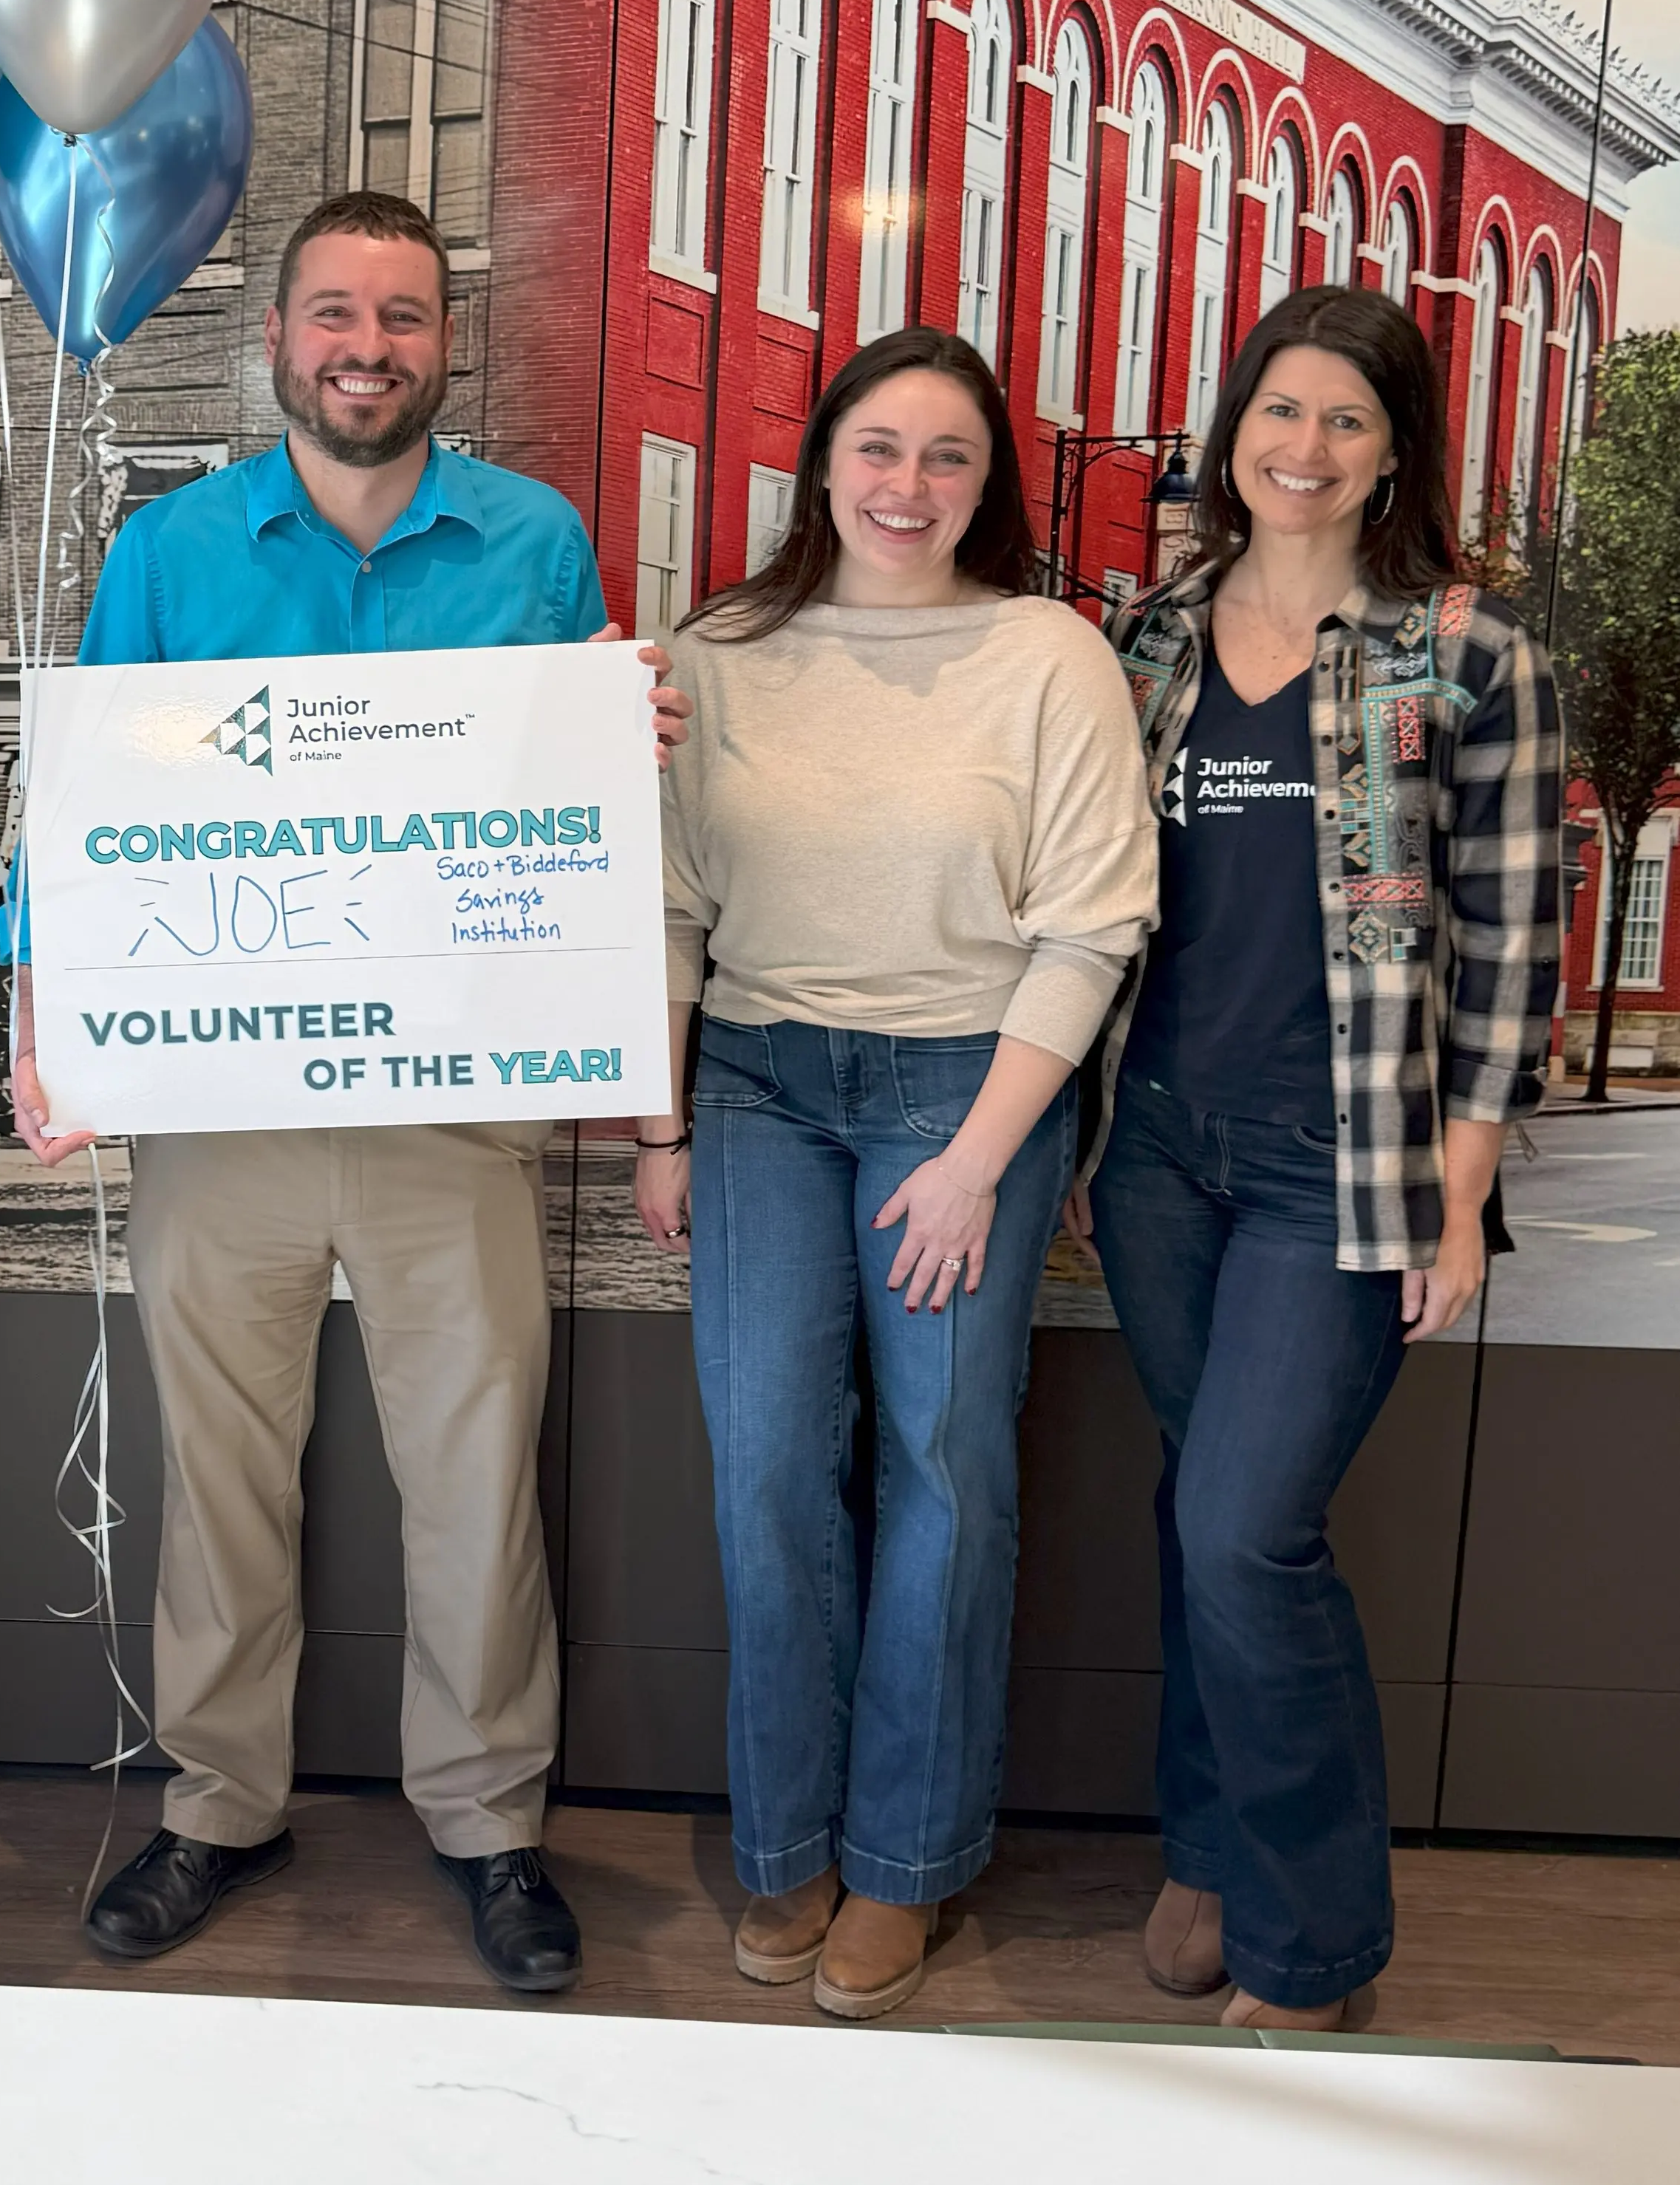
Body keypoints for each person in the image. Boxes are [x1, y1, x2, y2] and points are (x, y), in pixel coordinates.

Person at [13, 188, 686, 1997]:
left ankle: (489, 1819)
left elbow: (573, 813)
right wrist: (41, 1006)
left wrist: (623, 750)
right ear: (278, 339)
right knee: (219, 1468)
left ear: (443, 343)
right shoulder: (171, 551)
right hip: (215, 1103)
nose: (365, 349)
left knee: (475, 1468)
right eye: (334, 315)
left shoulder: (534, 542)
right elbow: (81, 813)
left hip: (449, 1098)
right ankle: (219, 1799)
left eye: (399, 318)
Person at [635, 326, 1158, 2020]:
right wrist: (662, 1130)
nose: (908, 486)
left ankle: (906, 1861)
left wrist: (978, 1163)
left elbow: (1092, 925)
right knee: (769, 1466)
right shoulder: (715, 650)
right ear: (824, 465)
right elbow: (664, 905)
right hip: (759, 1087)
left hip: (969, 1084)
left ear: (987, 478)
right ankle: (786, 1834)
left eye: (947, 454)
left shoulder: (1048, 655)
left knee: (942, 1466)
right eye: (878, 447)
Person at [1076, 286, 1562, 2031]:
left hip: (1339, 1166)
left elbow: (1512, 939)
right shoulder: (1147, 636)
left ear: (1393, 451)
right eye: (1278, 412)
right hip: (1156, 1155)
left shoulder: (1467, 652)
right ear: (1233, 432)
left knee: (1243, 1528)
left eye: (1345, 421)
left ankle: (1312, 1949)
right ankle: (1207, 1834)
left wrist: (1462, 1187)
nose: (1304, 448)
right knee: (1197, 1508)